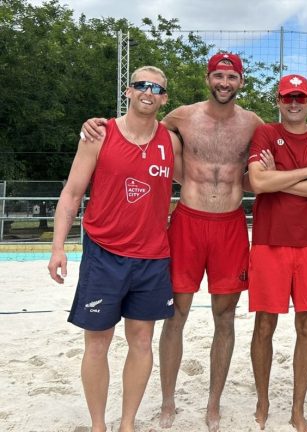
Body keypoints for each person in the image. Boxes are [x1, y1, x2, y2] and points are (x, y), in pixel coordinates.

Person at [80, 53, 307, 431]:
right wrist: (97, 124)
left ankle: (214, 402)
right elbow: (140, 126)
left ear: (241, 81)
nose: (224, 83)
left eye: (231, 77)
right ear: (208, 78)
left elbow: (282, 142)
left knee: (224, 317)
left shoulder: (253, 123)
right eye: (218, 75)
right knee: (175, 315)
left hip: (230, 224)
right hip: (188, 221)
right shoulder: (182, 116)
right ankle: (168, 399)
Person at [48, 66, 181, 432]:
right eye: (141, 85)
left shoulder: (171, 142)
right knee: (97, 343)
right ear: (128, 91)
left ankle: (127, 424)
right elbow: (72, 193)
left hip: (152, 256)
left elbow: (204, 175)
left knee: (142, 340)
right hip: (104, 253)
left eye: (156, 88)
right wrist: (58, 247)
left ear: (165, 98)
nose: (148, 92)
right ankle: (98, 425)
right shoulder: (99, 134)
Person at [247, 73, 307, 432]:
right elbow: (258, 182)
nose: (295, 103)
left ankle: (297, 409)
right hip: (269, 241)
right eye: (288, 97)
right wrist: (306, 173)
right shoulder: (265, 133)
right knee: (264, 325)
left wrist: (280, 180)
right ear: (278, 101)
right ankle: (263, 401)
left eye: (300, 97)